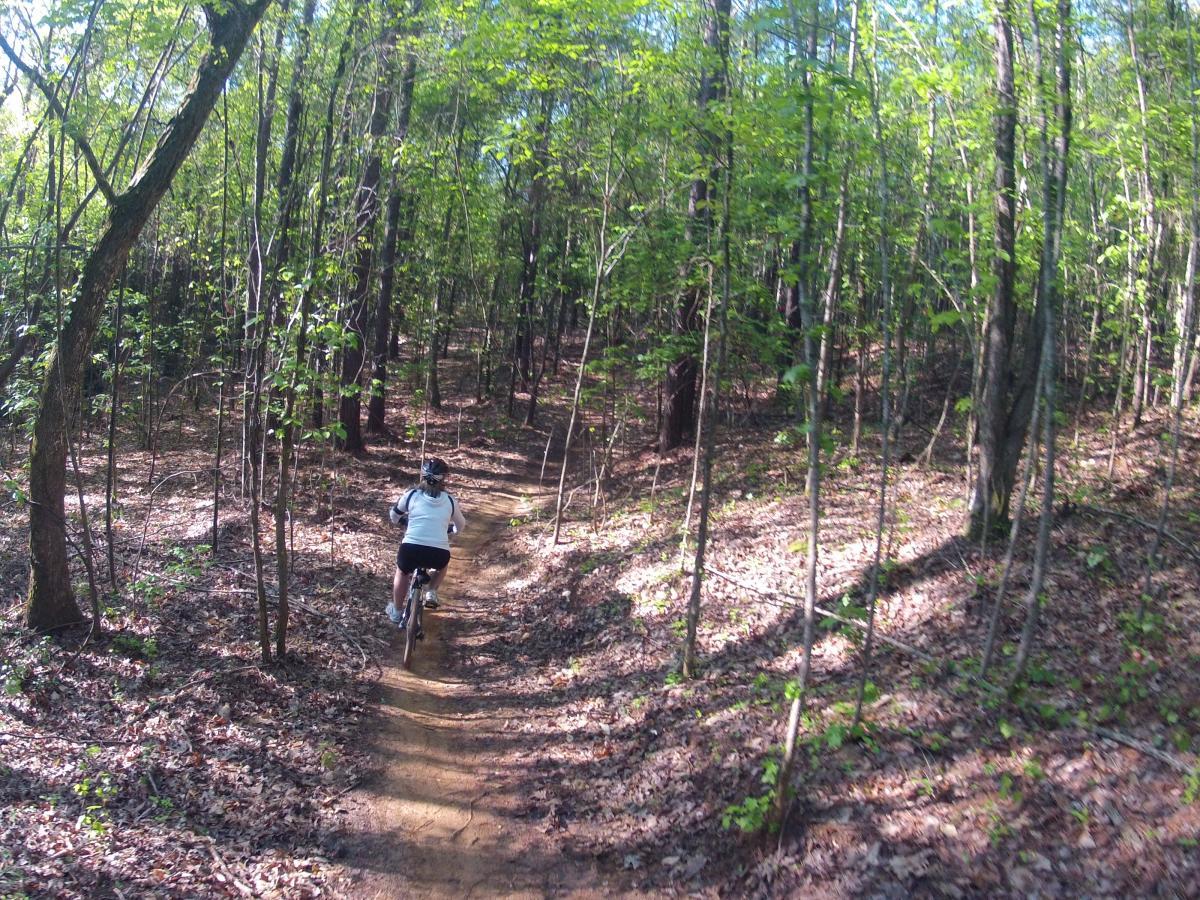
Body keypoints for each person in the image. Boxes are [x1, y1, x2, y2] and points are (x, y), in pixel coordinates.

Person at [385, 457, 466, 632]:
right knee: (442, 566)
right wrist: (450, 530)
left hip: (411, 549)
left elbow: (394, 516)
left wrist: (403, 521)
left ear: (422, 475)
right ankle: (432, 591)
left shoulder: (411, 495)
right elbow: (461, 526)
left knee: (402, 572)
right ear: (444, 479)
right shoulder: (450, 500)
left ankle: (397, 612)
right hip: (438, 553)